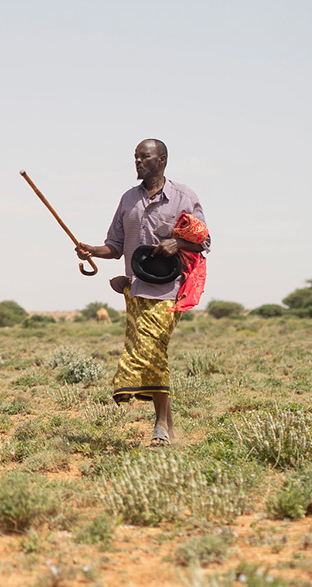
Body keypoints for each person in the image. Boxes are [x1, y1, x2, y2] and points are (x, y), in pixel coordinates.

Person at [75, 139, 209, 446]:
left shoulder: (183, 197)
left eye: (144, 157)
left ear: (161, 161)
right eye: (135, 157)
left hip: (170, 290)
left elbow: (204, 241)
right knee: (153, 355)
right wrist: (91, 251)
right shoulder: (128, 200)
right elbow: (116, 246)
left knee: (151, 350)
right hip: (136, 290)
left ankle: (161, 426)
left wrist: (179, 243)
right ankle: (168, 427)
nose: (137, 162)